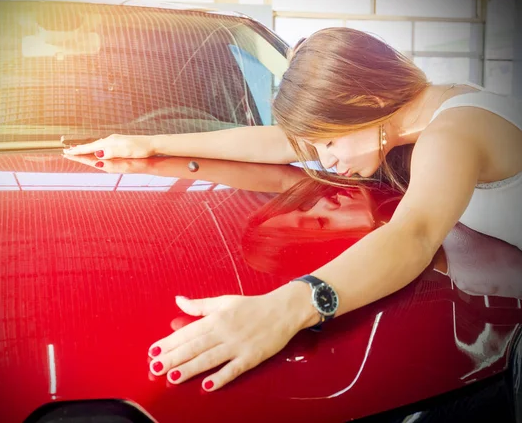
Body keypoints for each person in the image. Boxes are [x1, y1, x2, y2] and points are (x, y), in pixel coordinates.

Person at [62, 27, 522, 392]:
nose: (324, 160)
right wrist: (147, 142)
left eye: (328, 141)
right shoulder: (411, 116)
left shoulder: (452, 133)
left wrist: (284, 309)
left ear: (368, 101)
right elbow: (274, 142)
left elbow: (414, 234)